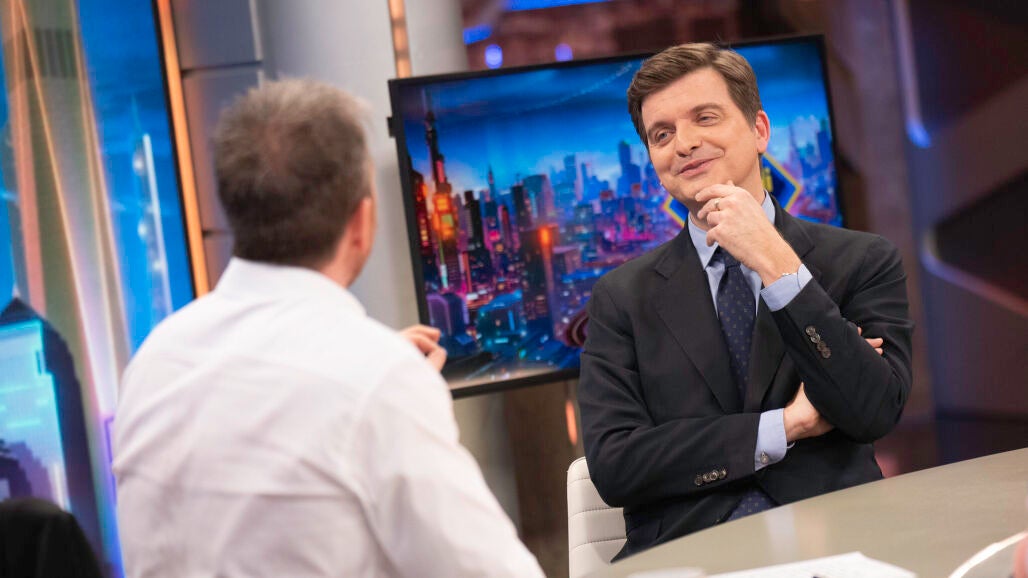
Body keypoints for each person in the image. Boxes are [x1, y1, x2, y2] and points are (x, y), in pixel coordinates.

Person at [113, 79, 544, 578]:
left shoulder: (154, 361)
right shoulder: (378, 380)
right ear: (361, 221)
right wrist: (384, 384)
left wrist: (372, 373)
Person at [578, 43, 914, 560]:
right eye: (662, 134)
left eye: (705, 117)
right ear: (654, 162)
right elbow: (616, 466)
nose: (684, 144)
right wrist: (787, 425)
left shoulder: (862, 261)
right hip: (687, 553)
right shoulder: (620, 298)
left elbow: (873, 409)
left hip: (837, 543)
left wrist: (777, 265)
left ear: (759, 130)